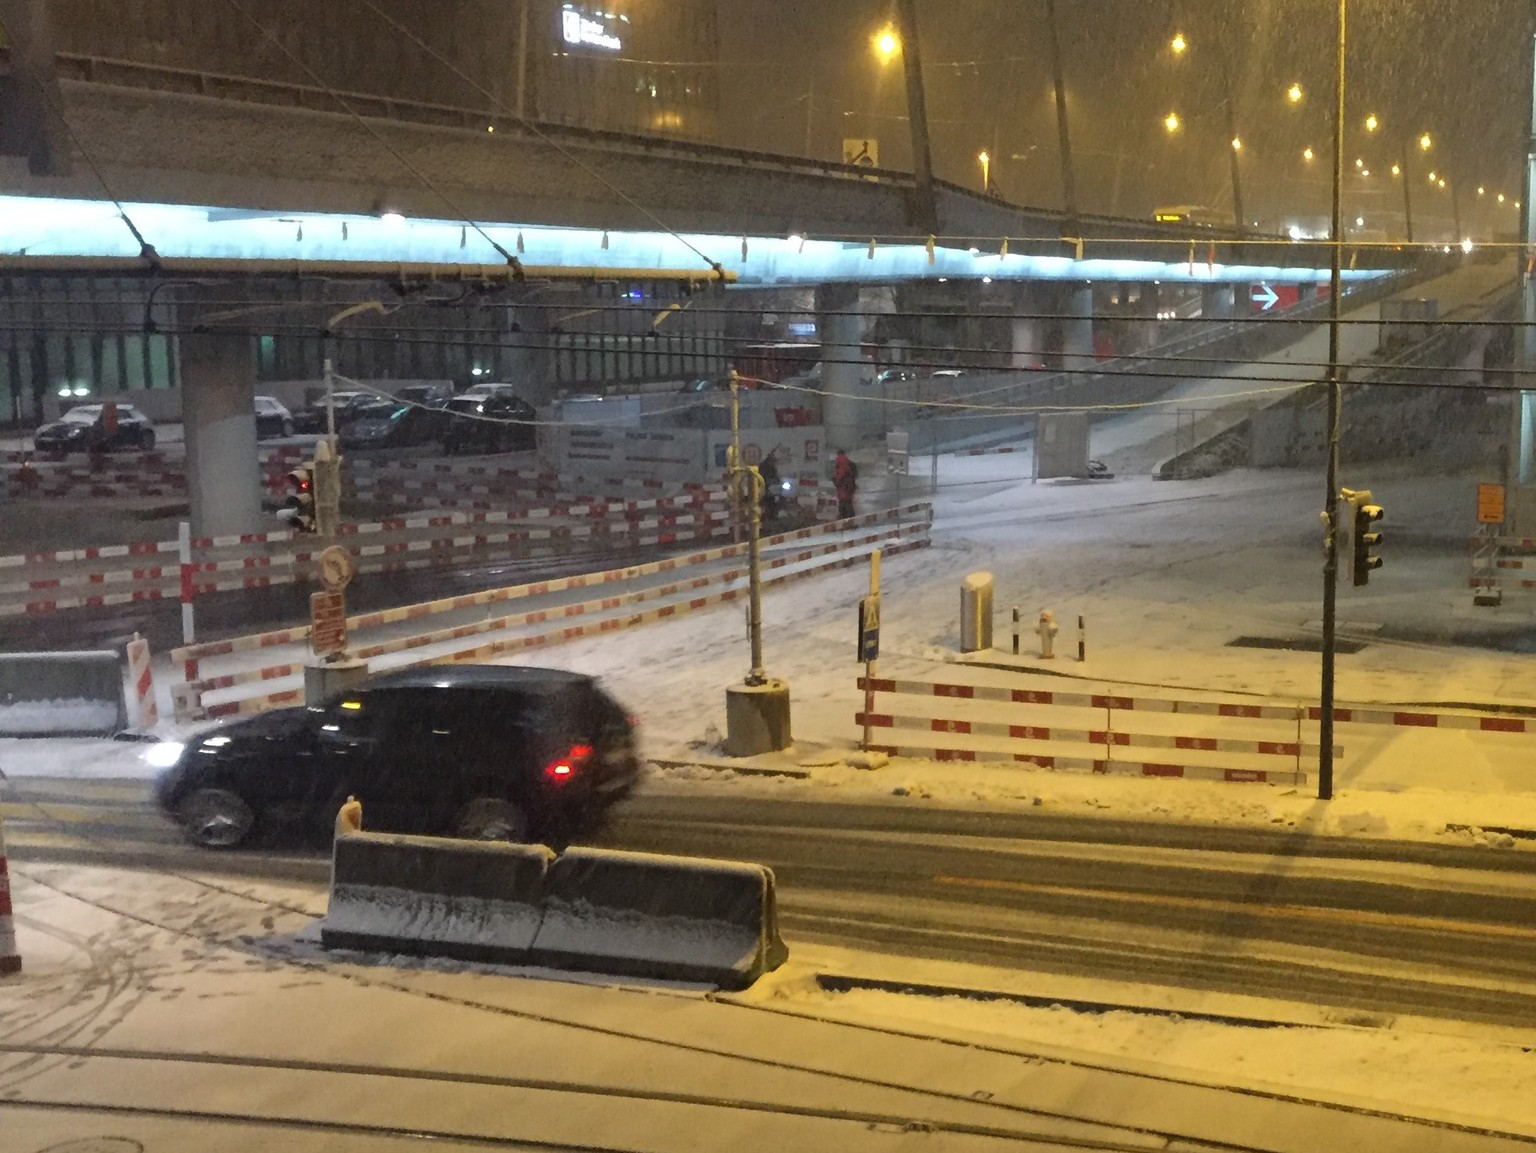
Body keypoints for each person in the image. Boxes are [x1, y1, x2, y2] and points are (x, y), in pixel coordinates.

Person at [757, 450, 782, 524]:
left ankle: (771, 517)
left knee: (772, 503)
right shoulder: (765, 467)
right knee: (767, 504)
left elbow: (776, 478)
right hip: (763, 490)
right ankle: (767, 518)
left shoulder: (771, 468)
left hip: (768, 491)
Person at [833, 448, 858, 520]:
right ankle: (851, 519)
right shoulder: (848, 461)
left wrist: (837, 480)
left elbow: (840, 473)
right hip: (849, 485)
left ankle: (844, 518)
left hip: (843, 485)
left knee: (843, 501)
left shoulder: (840, 461)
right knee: (848, 501)